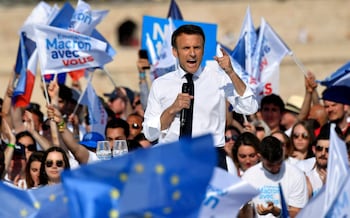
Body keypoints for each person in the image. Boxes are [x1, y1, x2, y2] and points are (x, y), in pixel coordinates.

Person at [143, 24, 258, 170]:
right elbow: (150, 133)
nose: (192, 53)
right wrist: (172, 110)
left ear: (203, 50)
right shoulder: (160, 84)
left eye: (197, 48)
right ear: (175, 52)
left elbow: (250, 106)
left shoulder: (219, 78)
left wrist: (231, 72)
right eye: (186, 48)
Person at [242, 136, 308, 217]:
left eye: (279, 163)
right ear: (260, 157)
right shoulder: (248, 176)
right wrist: (248, 208)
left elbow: (298, 213)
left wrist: (276, 211)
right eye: (270, 165)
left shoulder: (296, 175)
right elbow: (242, 211)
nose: (275, 168)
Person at [306, 123, 331, 198]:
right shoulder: (306, 178)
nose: (323, 153)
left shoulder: (342, 178)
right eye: (319, 149)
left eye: (328, 150)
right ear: (314, 150)